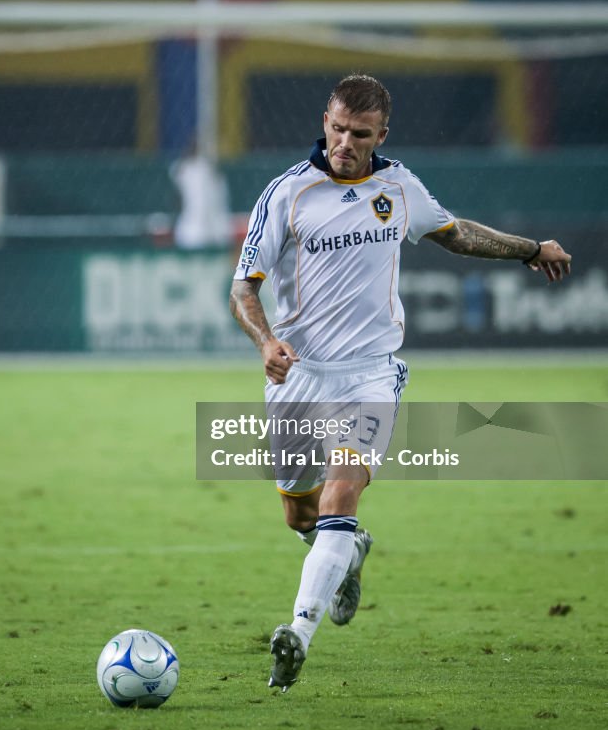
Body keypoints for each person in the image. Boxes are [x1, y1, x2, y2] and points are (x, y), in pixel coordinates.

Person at [229, 74, 571, 692]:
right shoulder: (286, 194)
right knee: (298, 511)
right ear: (324, 121)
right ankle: (348, 552)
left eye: (359, 134)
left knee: (342, 491)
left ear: (380, 135)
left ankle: (296, 634)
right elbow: (243, 287)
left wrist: (530, 248)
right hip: (299, 375)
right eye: (336, 129)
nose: (344, 143)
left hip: (370, 373)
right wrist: (266, 341)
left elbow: (455, 233)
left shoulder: (398, 186)